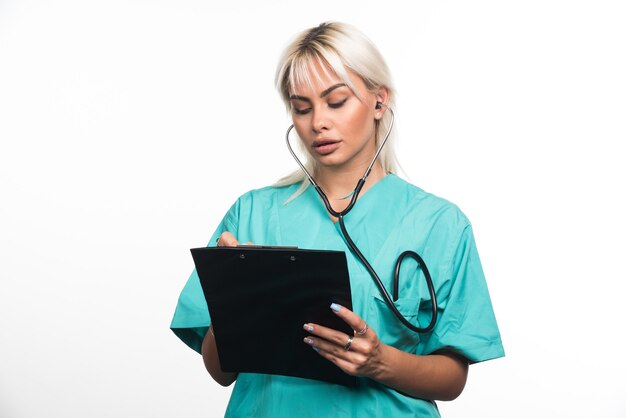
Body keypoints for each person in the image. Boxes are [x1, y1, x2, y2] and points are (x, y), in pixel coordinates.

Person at [171, 21, 504, 417]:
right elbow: (219, 372)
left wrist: (381, 362)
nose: (318, 123)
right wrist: (238, 299)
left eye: (337, 101)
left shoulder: (440, 224)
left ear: (379, 101)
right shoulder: (253, 213)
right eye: (301, 107)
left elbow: (453, 378)